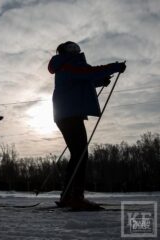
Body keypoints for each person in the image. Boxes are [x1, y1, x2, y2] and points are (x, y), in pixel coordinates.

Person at [48, 41, 126, 210]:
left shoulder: (65, 67)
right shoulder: (69, 64)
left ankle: (69, 195)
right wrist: (114, 67)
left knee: (78, 154)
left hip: (66, 114)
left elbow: (82, 79)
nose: (78, 49)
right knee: (80, 154)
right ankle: (75, 196)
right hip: (69, 115)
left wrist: (100, 81)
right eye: (74, 47)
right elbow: (87, 73)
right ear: (69, 51)